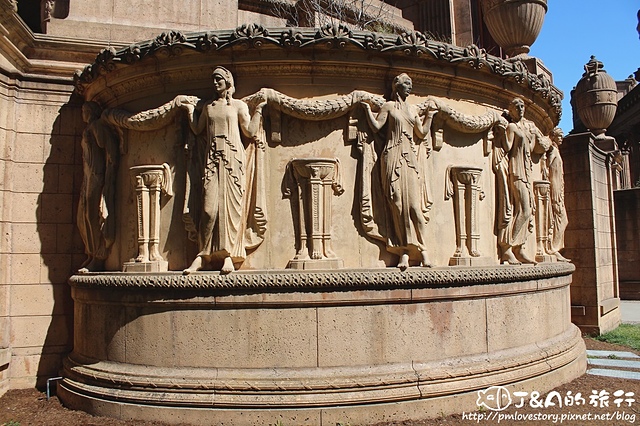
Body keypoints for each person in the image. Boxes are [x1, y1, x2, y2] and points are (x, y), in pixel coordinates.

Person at [181, 67, 266, 274]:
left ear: (228, 81)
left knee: (231, 209)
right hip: (211, 161)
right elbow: (198, 129)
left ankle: (229, 255)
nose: (215, 83)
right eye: (214, 79)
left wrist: (259, 111)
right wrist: (190, 111)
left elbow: (249, 130)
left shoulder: (238, 106)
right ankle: (203, 256)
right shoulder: (209, 107)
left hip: (232, 161)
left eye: (219, 79)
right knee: (209, 209)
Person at [360, 73, 436, 270]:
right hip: (392, 157)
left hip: (409, 159)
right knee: (398, 206)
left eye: (411, 83)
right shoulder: (389, 107)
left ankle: (423, 250)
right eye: (406, 83)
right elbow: (377, 127)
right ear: (396, 86)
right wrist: (367, 110)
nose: (409, 87)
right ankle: (404, 252)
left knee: (414, 208)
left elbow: (421, 133)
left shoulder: (412, 110)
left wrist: (430, 116)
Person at [77, 102, 120, 272]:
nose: (83, 113)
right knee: (83, 216)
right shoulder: (89, 128)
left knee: (91, 214)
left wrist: (109, 175)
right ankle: (91, 252)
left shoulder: (97, 127)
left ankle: (99, 255)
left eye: (85, 110)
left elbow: (110, 151)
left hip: (96, 174)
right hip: (88, 175)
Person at [497, 97, 538, 265]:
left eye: (522, 106)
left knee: (527, 210)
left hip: (526, 173)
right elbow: (507, 146)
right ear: (511, 110)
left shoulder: (525, 129)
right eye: (517, 106)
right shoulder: (512, 127)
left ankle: (519, 248)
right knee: (524, 210)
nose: (521, 109)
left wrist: (533, 134)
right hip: (517, 171)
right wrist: (501, 131)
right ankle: (507, 247)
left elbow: (531, 148)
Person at [546, 128, 570, 262]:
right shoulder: (553, 151)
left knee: (562, 219)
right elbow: (546, 165)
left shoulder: (556, 151)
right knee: (560, 217)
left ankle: (555, 248)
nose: (561, 139)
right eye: (559, 136)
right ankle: (553, 248)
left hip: (558, 186)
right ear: (554, 137)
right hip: (554, 186)